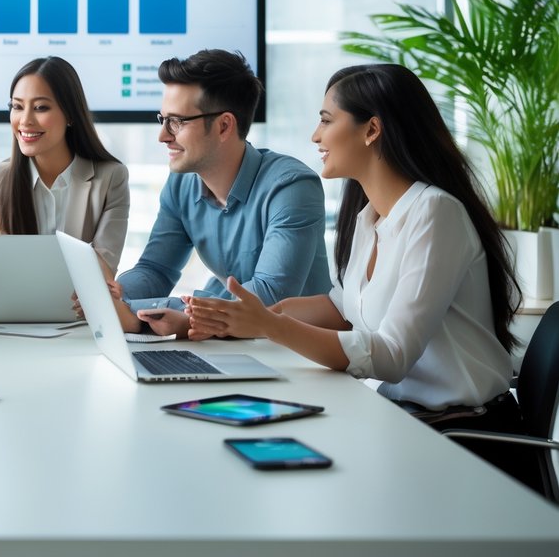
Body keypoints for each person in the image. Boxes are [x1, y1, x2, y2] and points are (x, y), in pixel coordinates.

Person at [187, 63, 539, 490]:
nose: (315, 136)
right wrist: (240, 316)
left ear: (371, 130)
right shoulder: (371, 216)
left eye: (325, 120)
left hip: (466, 443)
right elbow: (342, 306)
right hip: (411, 425)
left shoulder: (435, 213)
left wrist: (270, 327)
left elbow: (391, 356)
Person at [114, 49, 330, 337]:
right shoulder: (181, 184)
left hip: (296, 355)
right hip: (227, 344)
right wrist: (114, 296)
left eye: (177, 121)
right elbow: (156, 270)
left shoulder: (292, 187)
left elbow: (270, 294)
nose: (163, 135)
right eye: (162, 120)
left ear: (224, 125)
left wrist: (182, 315)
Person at [0, 56, 129, 274]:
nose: (25, 120)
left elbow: (102, 271)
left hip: (78, 307)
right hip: (13, 308)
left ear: (70, 114)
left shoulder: (110, 178)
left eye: (40, 107)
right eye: (17, 106)